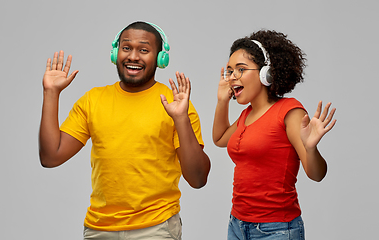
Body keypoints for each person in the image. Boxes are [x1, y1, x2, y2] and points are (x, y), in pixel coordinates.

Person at [39, 21, 210, 240]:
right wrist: (51, 93)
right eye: (126, 47)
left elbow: (198, 179)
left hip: (156, 228)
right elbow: (51, 156)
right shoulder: (93, 100)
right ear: (115, 53)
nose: (133, 56)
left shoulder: (177, 106)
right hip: (99, 229)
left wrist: (180, 119)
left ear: (160, 58)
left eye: (144, 50)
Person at [212, 30, 336, 240]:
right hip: (237, 225)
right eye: (231, 70)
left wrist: (311, 147)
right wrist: (222, 101)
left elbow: (316, 174)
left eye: (241, 70)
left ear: (265, 73)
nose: (232, 77)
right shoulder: (246, 115)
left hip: (276, 229)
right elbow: (220, 138)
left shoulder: (290, 111)